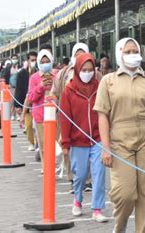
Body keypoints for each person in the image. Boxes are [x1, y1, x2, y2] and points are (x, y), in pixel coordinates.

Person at [94, 37, 145, 233]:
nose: (132, 55)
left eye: (135, 51)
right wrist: (105, 147)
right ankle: (120, 225)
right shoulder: (108, 81)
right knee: (125, 193)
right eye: (127, 52)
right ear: (119, 54)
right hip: (119, 140)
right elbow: (102, 115)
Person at [59, 52, 107, 222]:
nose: (87, 73)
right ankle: (78, 200)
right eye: (83, 70)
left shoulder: (100, 87)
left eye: (90, 70)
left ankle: (97, 208)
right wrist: (65, 142)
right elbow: (64, 118)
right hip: (77, 140)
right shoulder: (68, 91)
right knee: (80, 174)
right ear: (77, 70)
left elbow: (105, 111)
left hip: (97, 139)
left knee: (99, 173)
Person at [51, 43, 98, 193]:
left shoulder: (96, 74)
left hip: (91, 119)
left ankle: (88, 181)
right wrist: (53, 104)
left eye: (82, 53)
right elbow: (55, 92)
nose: (80, 57)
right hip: (68, 118)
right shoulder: (63, 73)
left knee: (91, 150)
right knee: (69, 149)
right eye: (77, 54)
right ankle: (73, 178)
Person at [27, 49, 58, 172]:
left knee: (56, 143)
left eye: (48, 61)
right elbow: (31, 97)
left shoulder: (57, 75)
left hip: (56, 115)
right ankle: (47, 167)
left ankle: (56, 164)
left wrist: (52, 87)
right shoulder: (34, 78)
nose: (45, 63)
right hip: (40, 116)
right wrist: (40, 86)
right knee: (44, 144)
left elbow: (62, 93)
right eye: (43, 61)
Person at [17, 52, 37, 151]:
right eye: (32, 60)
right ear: (28, 61)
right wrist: (18, 105)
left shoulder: (39, 72)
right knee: (28, 126)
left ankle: (38, 143)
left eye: (35, 60)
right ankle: (31, 142)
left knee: (38, 126)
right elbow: (19, 89)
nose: (34, 62)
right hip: (27, 103)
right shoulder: (22, 73)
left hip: (37, 104)